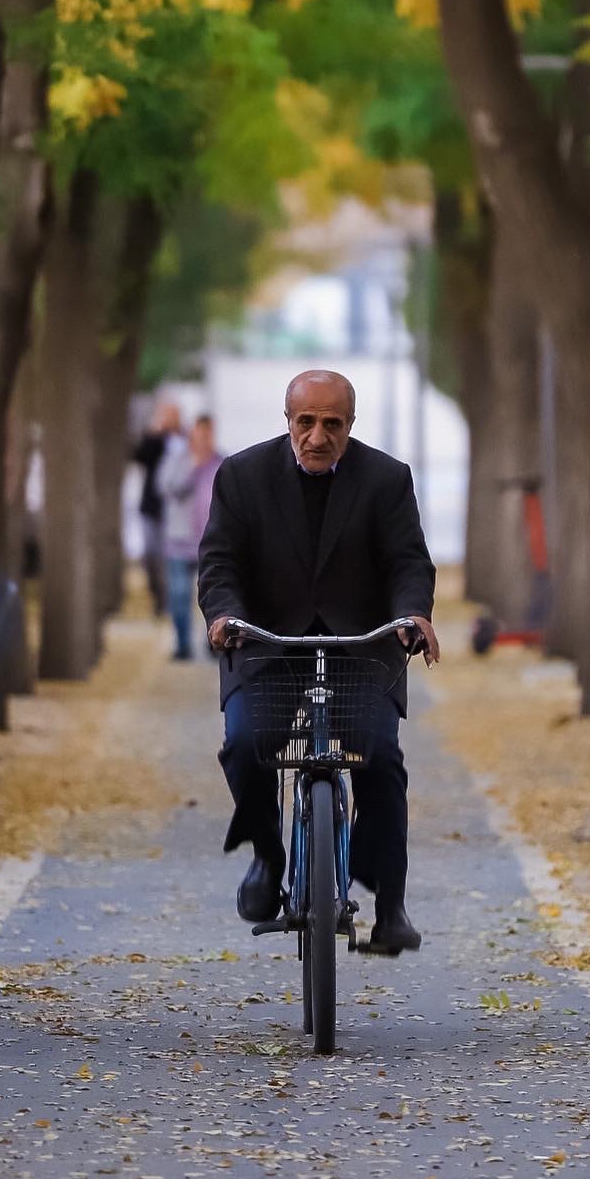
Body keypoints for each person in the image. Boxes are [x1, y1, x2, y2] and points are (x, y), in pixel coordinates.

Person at [197, 369, 439, 956]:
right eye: (306, 422)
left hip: (360, 651)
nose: (318, 435)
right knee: (246, 742)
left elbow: (409, 562)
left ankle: (390, 905)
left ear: (350, 425)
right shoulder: (242, 476)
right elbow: (220, 562)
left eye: (333, 423)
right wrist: (224, 615)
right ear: (288, 422)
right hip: (266, 647)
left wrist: (412, 613)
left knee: (380, 758)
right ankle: (266, 855)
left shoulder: (386, 479)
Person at [159, 414, 224, 661]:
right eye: (199, 434)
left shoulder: (221, 461)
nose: (204, 440)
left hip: (210, 539)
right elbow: (167, 487)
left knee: (212, 594)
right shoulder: (178, 460)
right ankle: (182, 644)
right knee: (179, 594)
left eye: (208, 435)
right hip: (179, 540)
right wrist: (192, 466)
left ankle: (213, 640)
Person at [131, 400, 181, 617]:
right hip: (152, 507)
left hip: (175, 512)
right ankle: (158, 597)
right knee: (150, 555)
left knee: (168, 557)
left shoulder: (182, 440)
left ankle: (168, 601)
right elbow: (139, 456)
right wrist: (155, 432)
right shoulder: (155, 440)